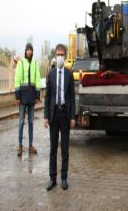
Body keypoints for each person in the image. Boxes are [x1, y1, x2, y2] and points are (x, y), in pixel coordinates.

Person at [44, 44, 75, 191]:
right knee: (53, 148)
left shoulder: (69, 74)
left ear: (66, 56)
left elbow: (72, 98)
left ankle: (64, 178)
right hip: (53, 115)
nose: (60, 57)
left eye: (62, 54)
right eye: (58, 54)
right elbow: (47, 97)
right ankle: (52, 178)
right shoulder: (50, 74)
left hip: (65, 114)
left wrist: (73, 117)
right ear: (55, 56)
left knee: (65, 149)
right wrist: (45, 116)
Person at [14, 43, 41, 156]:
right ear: (25, 51)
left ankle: (30, 146)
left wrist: (37, 95)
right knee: (21, 122)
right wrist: (17, 95)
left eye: (31, 50)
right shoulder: (20, 63)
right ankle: (20, 146)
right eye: (27, 50)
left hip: (31, 96)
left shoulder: (35, 63)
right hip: (23, 96)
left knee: (30, 122)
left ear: (32, 52)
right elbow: (17, 78)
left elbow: (37, 79)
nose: (29, 52)